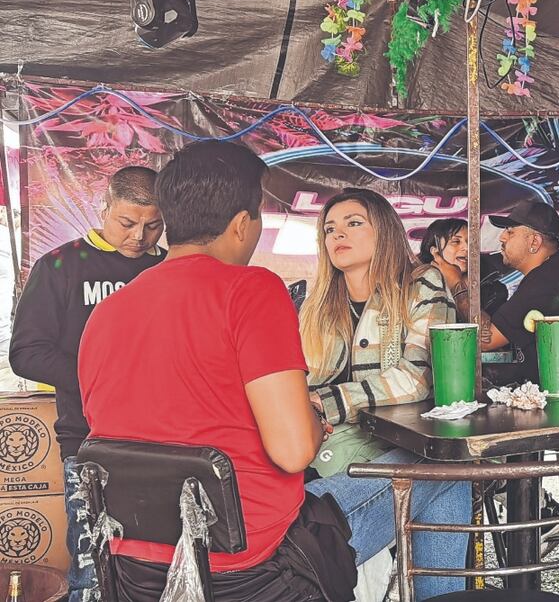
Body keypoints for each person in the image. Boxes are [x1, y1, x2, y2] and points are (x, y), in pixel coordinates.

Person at [78, 141, 354, 601]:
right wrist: (311, 416)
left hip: (133, 567)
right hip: (252, 566)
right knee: (426, 482)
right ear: (242, 224)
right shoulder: (252, 289)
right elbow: (294, 451)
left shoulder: (106, 312)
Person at [299, 189, 470, 600]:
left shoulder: (420, 283)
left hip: (387, 446)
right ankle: (305, 547)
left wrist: (327, 402)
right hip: (325, 455)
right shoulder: (317, 304)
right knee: (452, 466)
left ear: (385, 231)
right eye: (330, 229)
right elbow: (297, 383)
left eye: (354, 223)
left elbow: (416, 377)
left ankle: (305, 544)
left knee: (448, 463)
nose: (338, 234)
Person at [9, 166, 165, 602]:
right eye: (127, 223)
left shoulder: (169, 269)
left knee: (156, 571)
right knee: (91, 571)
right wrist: (108, 377)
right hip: (88, 441)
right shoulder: (61, 266)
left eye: (153, 225)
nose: (139, 237)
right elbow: (26, 353)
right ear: (104, 208)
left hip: (165, 445)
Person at [441, 200, 559, 388]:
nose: (502, 238)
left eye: (510, 232)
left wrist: (456, 284)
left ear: (534, 242)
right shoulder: (553, 271)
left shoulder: (546, 283)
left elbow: (487, 339)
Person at [421, 217, 508, 314]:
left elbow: (486, 324)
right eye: (456, 242)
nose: (467, 247)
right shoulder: (417, 288)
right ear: (435, 251)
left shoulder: (494, 291)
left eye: (471, 242)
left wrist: (457, 288)